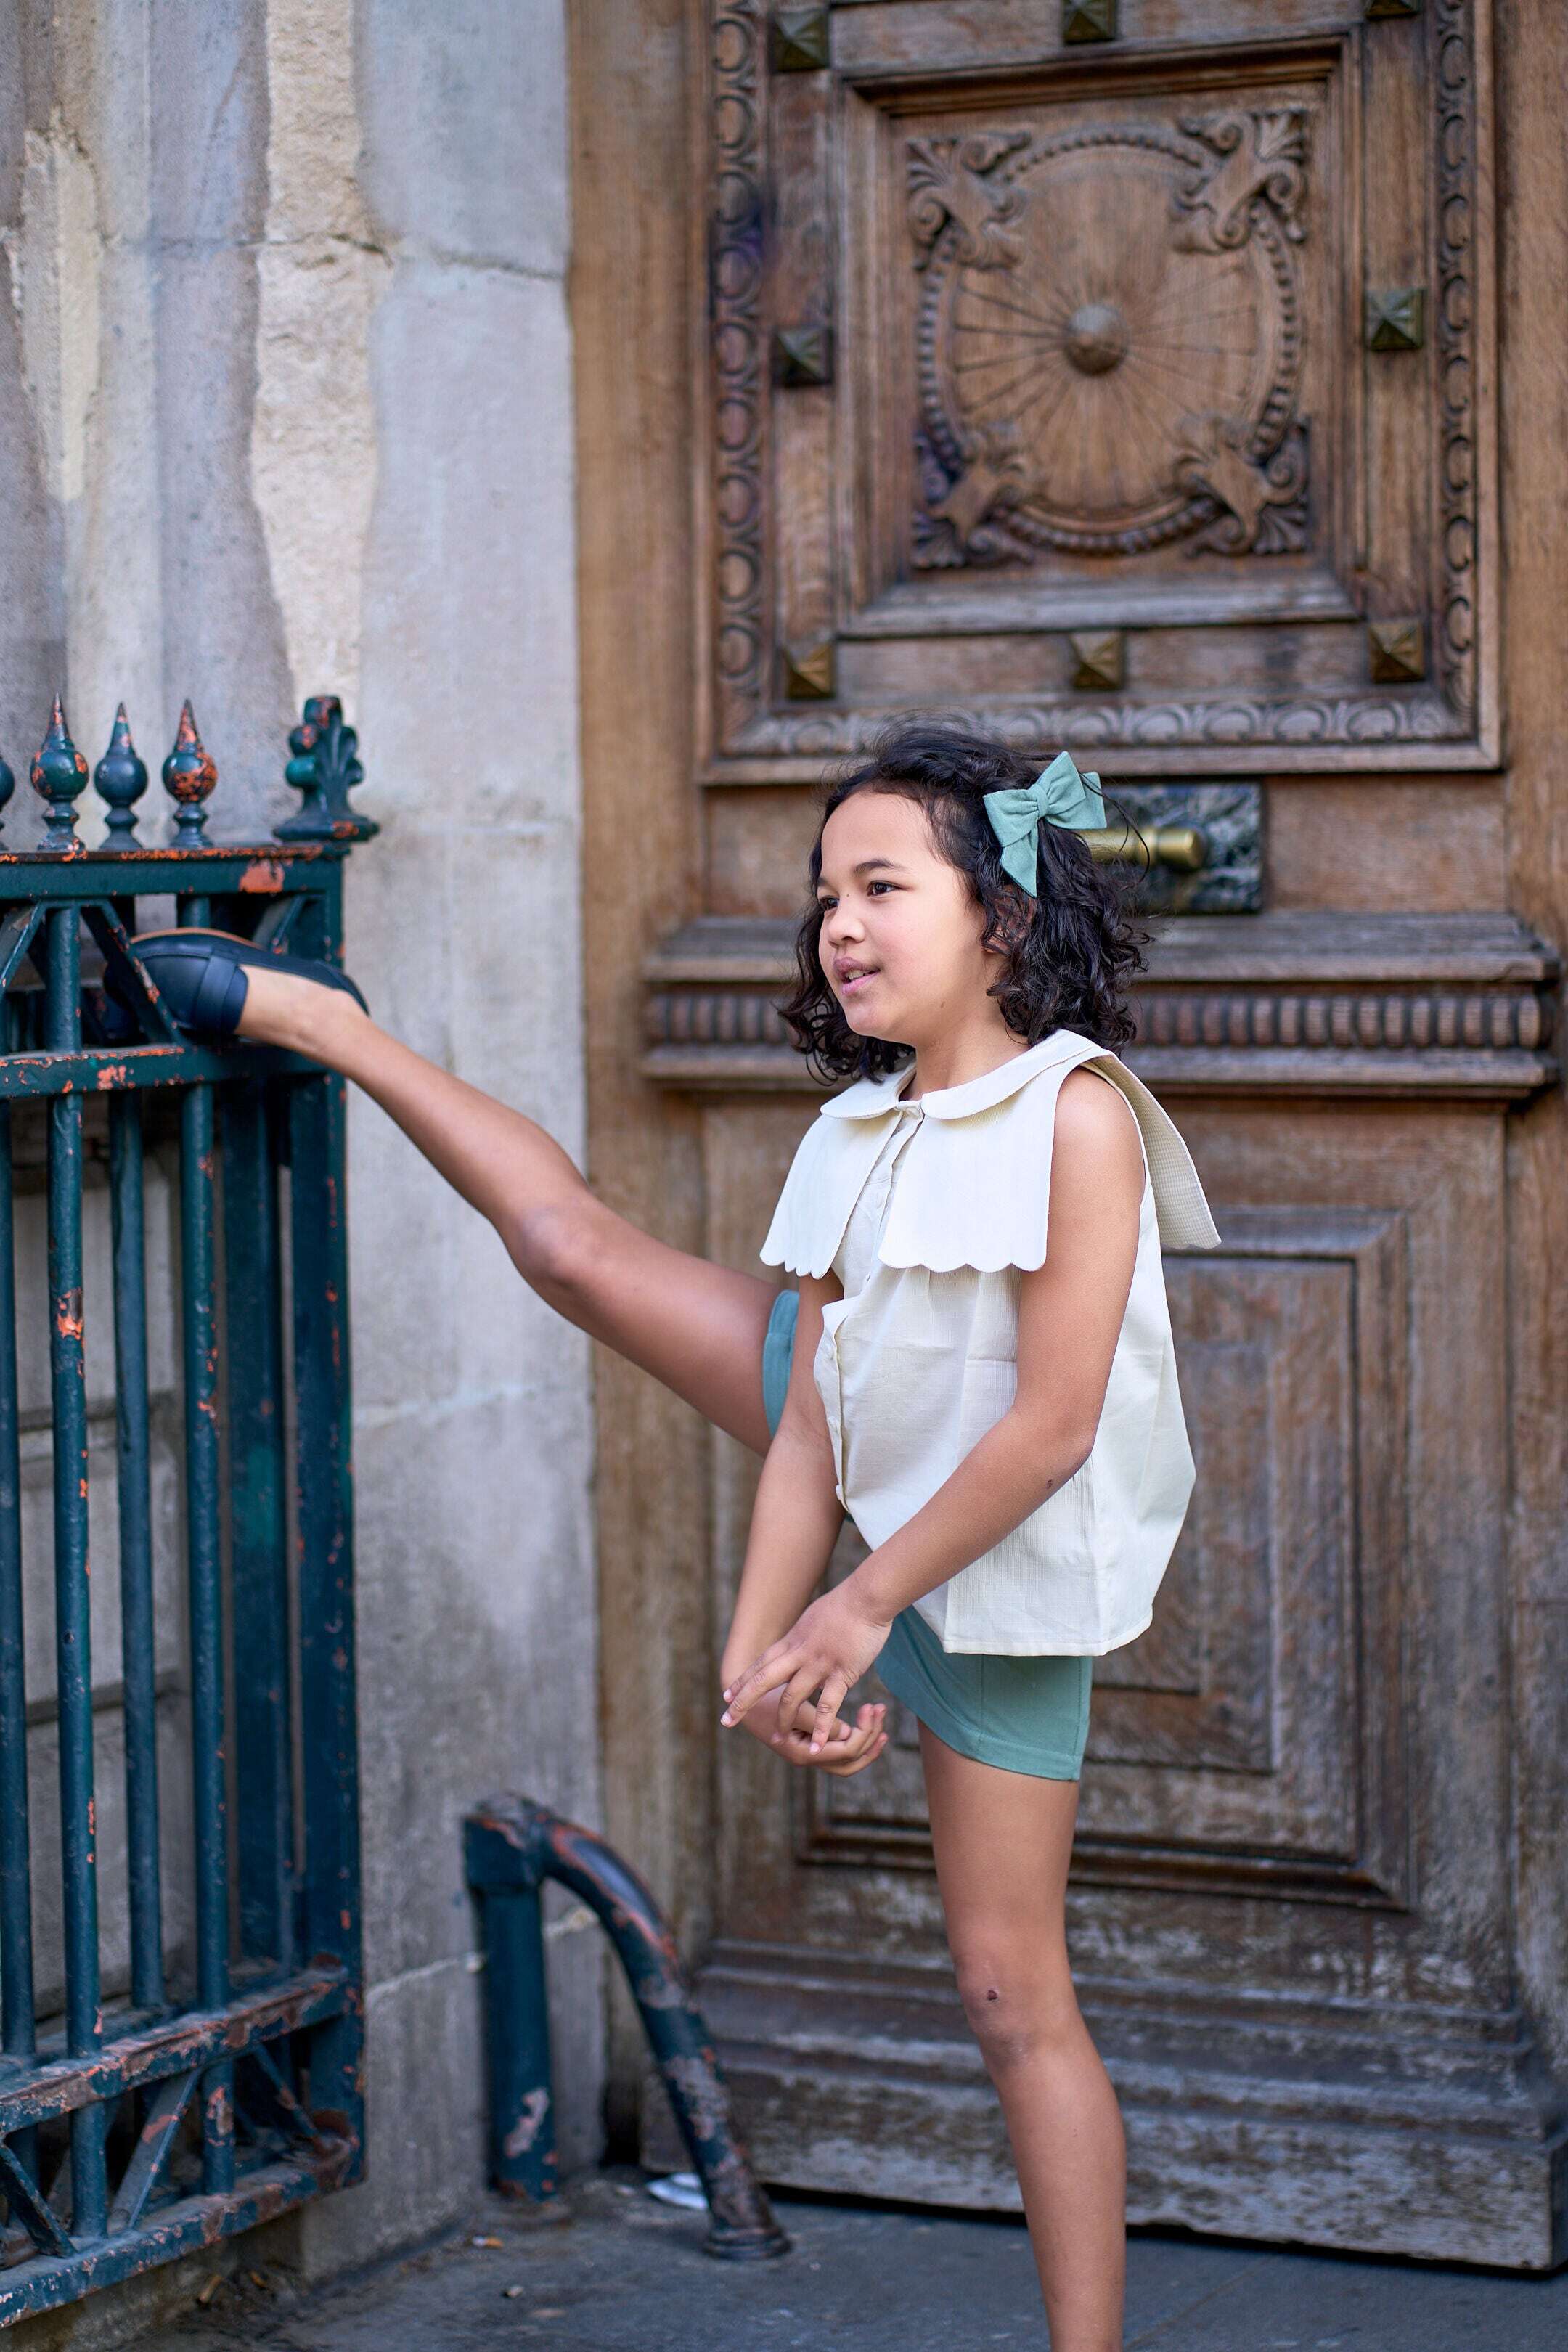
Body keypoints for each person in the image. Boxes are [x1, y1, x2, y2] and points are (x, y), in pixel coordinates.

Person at [128, 719, 1220, 2352]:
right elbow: (816, 1421)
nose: (840, 925)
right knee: (567, 1250)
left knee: (1011, 1997)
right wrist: (756, 1643)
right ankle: (331, 1026)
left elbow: (1053, 1426)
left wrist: (853, 1614)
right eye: (825, 894)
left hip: (998, 1566)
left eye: (883, 888)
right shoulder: (857, 1131)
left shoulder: (1079, 1116)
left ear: (1001, 918)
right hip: (863, 1465)